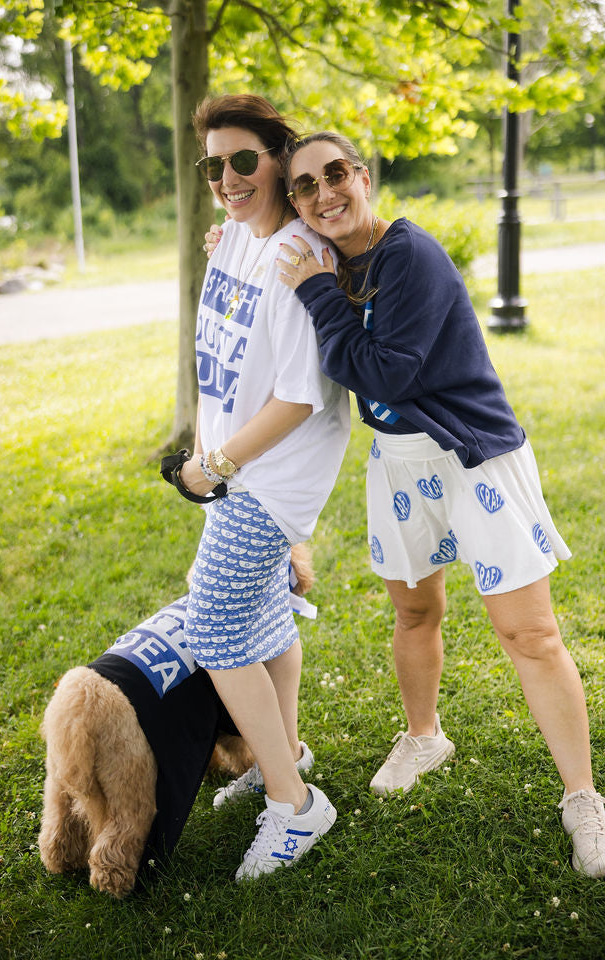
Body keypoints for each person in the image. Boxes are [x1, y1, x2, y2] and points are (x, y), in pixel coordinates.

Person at [268, 130, 604, 878]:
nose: (324, 193)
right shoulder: (328, 253)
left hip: (471, 455)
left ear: (363, 175)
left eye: (336, 175)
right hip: (398, 464)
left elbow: (385, 374)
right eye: (305, 185)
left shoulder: (406, 256)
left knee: (531, 635)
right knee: (415, 612)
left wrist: (318, 294)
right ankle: (425, 735)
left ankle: (583, 798)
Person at [178, 99, 351, 882]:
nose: (227, 179)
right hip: (242, 470)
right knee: (266, 615)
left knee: (213, 623)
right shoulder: (238, 244)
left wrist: (216, 466)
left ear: (280, 159)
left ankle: (294, 802)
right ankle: (283, 750)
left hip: (269, 478)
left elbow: (297, 396)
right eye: (214, 166)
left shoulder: (293, 255)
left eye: (243, 160)